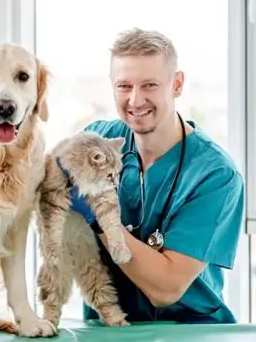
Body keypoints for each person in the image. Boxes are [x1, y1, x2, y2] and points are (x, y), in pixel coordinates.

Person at [67, 28, 245, 324]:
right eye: (124, 86)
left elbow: (166, 288)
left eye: (149, 85)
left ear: (177, 84)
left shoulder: (216, 176)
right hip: (108, 327)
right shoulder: (96, 141)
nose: (135, 100)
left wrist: (100, 217)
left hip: (188, 330)